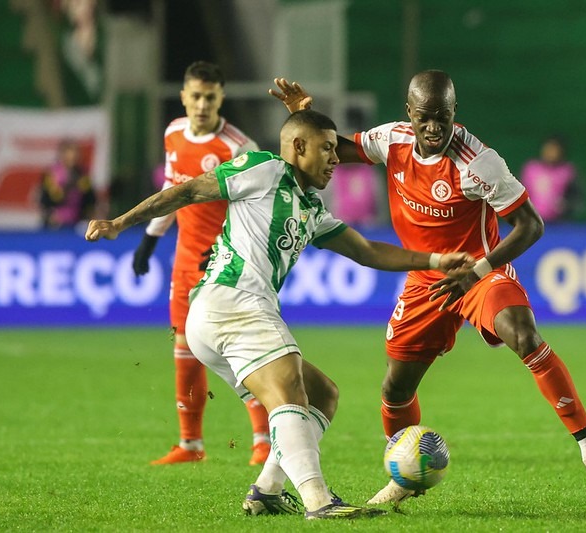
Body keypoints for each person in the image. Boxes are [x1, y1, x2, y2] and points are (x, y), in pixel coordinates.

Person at [85, 109, 473, 519]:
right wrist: (120, 222)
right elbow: (188, 191)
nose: (335, 158)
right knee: (288, 389)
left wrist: (435, 259)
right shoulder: (264, 168)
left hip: (226, 316)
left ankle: (267, 490)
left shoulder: (310, 207)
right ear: (298, 147)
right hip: (232, 302)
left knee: (322, 393)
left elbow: (366, 250)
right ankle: (319, 501)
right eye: (326, 148)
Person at [270, 71, 586, 506]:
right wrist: (305, 119)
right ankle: (403, 476)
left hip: (478, 270)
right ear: (410, 113)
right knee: (395, 389)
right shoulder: (392, 140)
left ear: (455, 113)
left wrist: (478, 270)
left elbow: (531, 225)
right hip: (426, 280)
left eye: (443, 117)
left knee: (523, 333)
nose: (434, 127)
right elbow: (333, 151)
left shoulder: (479, 162)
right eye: (425, 117)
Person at [130, 61, 271, 466]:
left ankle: (263, 438)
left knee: (233, 349)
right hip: (185, 258)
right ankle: (190, 445)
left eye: (210, 97)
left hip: (225, 263)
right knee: (184, 348)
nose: (202, 104)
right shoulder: (173, 133)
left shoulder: (237, 147)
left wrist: (239, 246)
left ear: (221, 97)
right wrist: (150, 238)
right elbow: (172, 190)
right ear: (184, 97)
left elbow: (257, 205)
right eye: (196, 96)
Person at [39, 139, 106, 229]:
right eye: (69, 154)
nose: (73, 157)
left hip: (77, 222)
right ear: (62, 155)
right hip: (55, 223)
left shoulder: (82, 175)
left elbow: (90, 200)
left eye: (75, 154)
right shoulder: (52, 175)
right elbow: (45, 201)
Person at [519, 136, 582, 222]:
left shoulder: (567, 171)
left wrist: (566, 206)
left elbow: (577, 199)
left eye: (554, 150)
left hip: (558, 223)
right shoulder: (531, 169)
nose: (550, 153)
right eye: (548, 149)